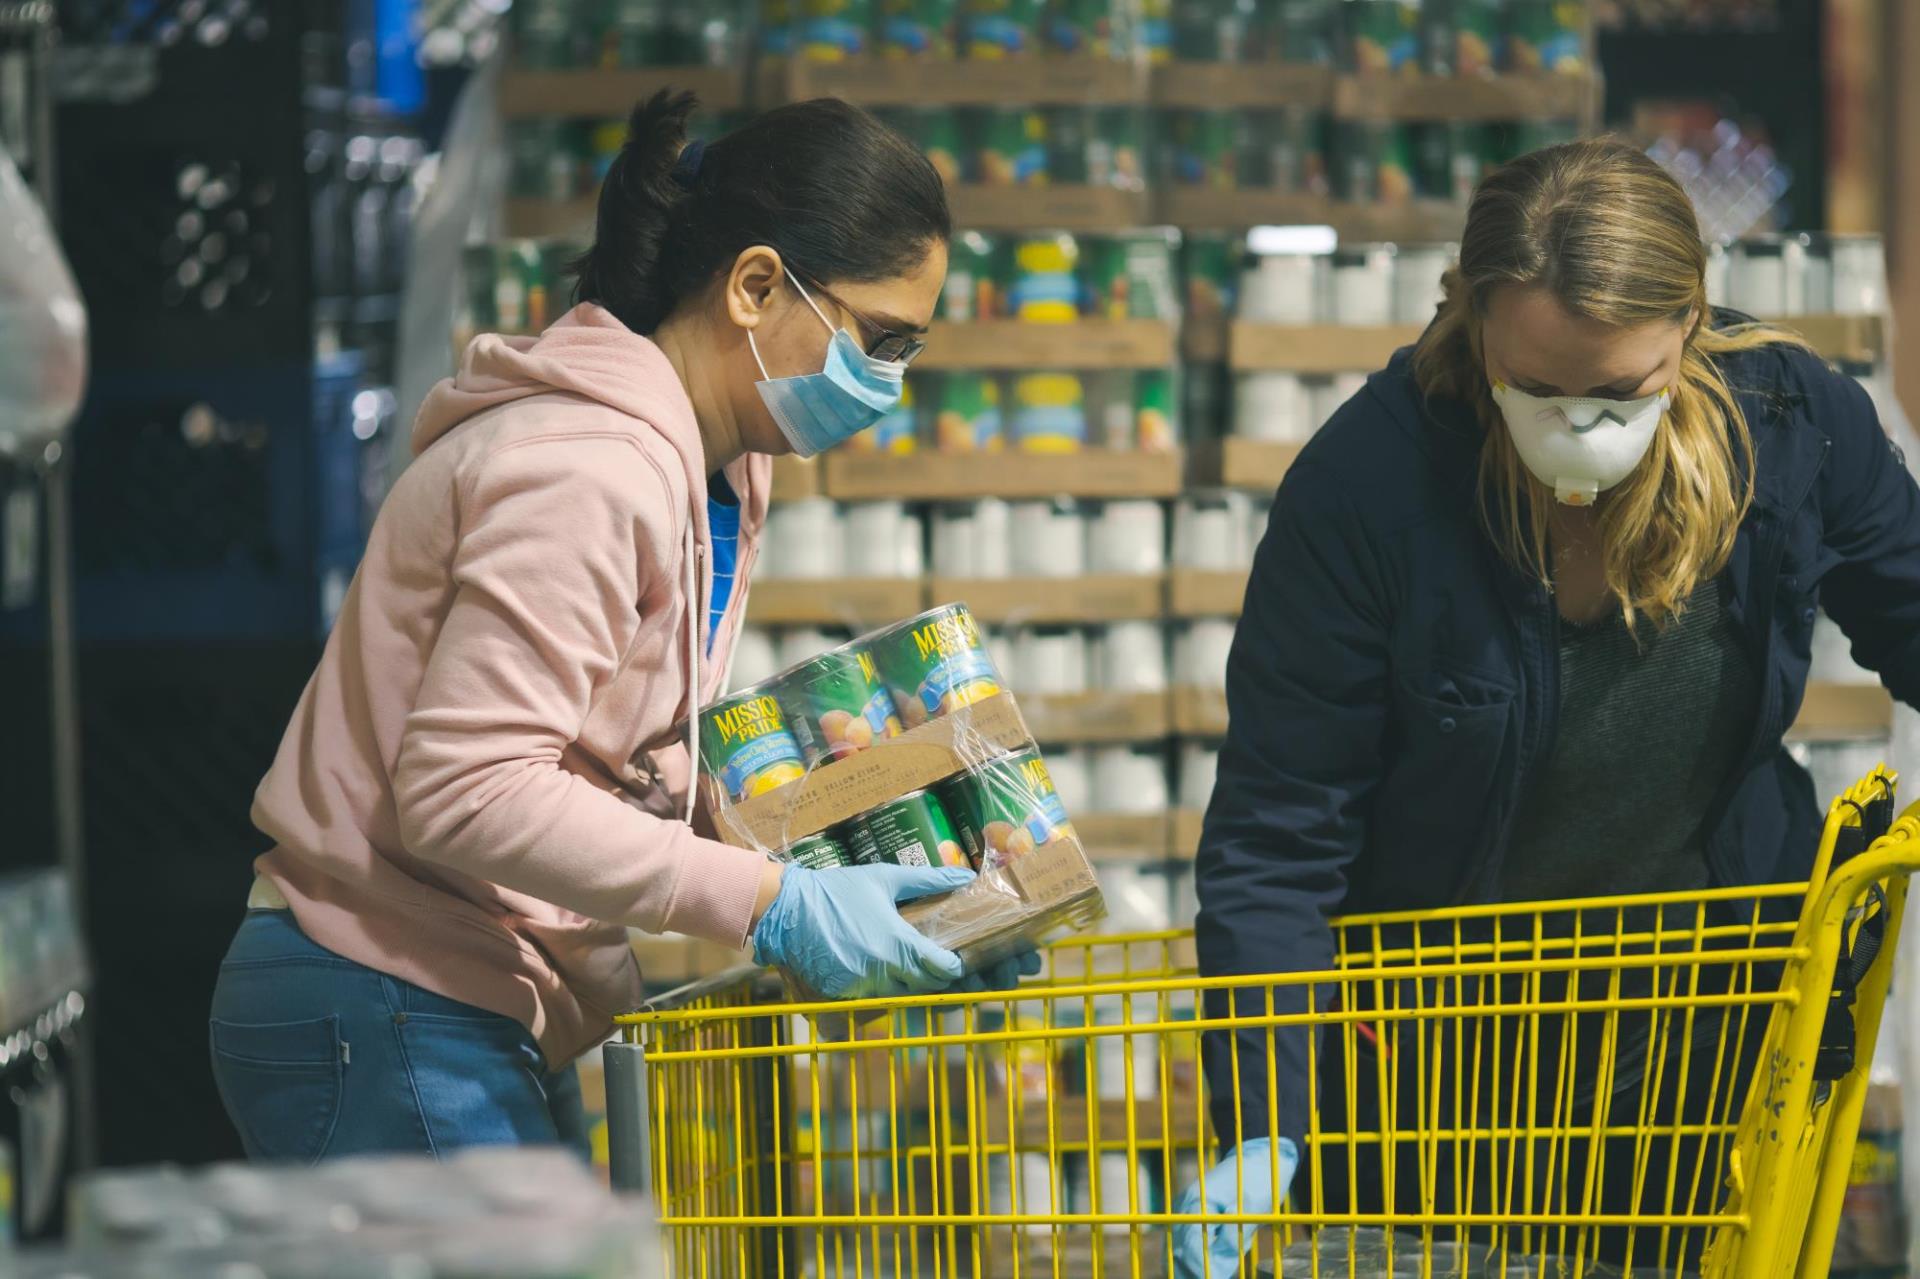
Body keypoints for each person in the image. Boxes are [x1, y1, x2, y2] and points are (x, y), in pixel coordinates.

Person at [209, 91, 1030, 1164]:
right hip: (379, 983)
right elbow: (469, 790)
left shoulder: (722, 467)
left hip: (460, 989)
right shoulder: (586, 469)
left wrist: (861, 869)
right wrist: (773, 902)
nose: (890, 382)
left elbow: (596, 750)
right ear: (754, 285)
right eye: (881, 339)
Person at [1173, 137, 1920, 1276]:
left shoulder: (1791, 427)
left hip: (1706, 1045)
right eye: (1538, 386)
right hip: (1437, 1084)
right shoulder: (1369, 488)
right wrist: (1266, 1114)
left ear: (1690, 326)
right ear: (1476, 331)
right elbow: (1283, 828)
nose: (1580, 423)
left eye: (1622, 391)